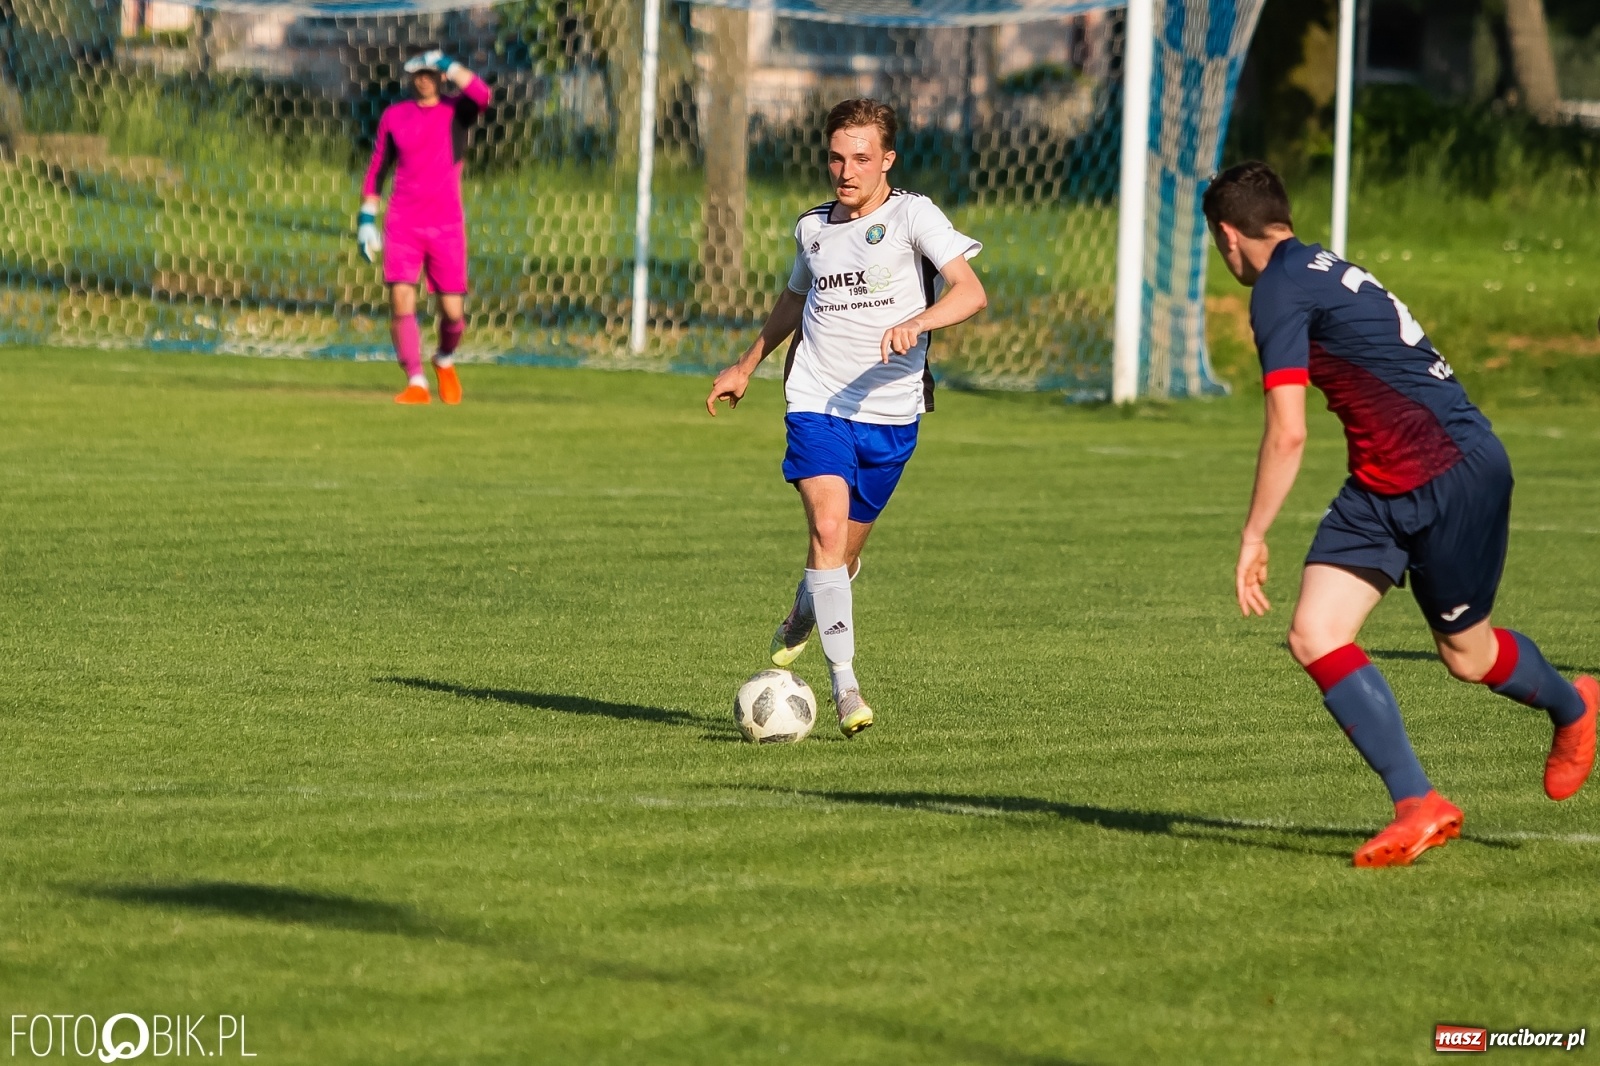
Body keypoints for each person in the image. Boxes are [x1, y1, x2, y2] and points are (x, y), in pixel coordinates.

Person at [1206, 160, 1597, 868]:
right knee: (1315, 633)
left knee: (1467, 656)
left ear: (1229, 237)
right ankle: (1418, 803)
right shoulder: (1319, 268)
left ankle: (1574, 706)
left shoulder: (1276, 289)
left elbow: (1288, 431)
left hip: (1453, 473)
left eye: (1217, 246)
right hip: (1381, 483)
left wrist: (1253, 534)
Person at [706, 98, 987, 738]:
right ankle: (845, 686)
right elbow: (794, 299)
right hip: (817, 401)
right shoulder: (812, 228)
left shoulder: (914, 216)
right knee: (828, 532)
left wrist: (918, 320)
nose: (846, 170)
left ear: (887, 159)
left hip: (892, 416)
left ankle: (805, 610)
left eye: (861, 158)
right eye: (836, 157)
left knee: (839, 559)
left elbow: (971, 292)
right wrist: (747, 364)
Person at [358, 49, 491, 405]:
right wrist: (366, 219)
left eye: (431, 73)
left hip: (447, 226)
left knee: (452, 311)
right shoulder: (395, 116)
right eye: (418, 73)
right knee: (401, 298)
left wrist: (449, 62)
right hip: (403, 223)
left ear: (440, 77)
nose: (424, 79)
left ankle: (444, 358)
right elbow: (377, 170)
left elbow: (482, 93)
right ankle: (416, 381)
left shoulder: (456, 112)